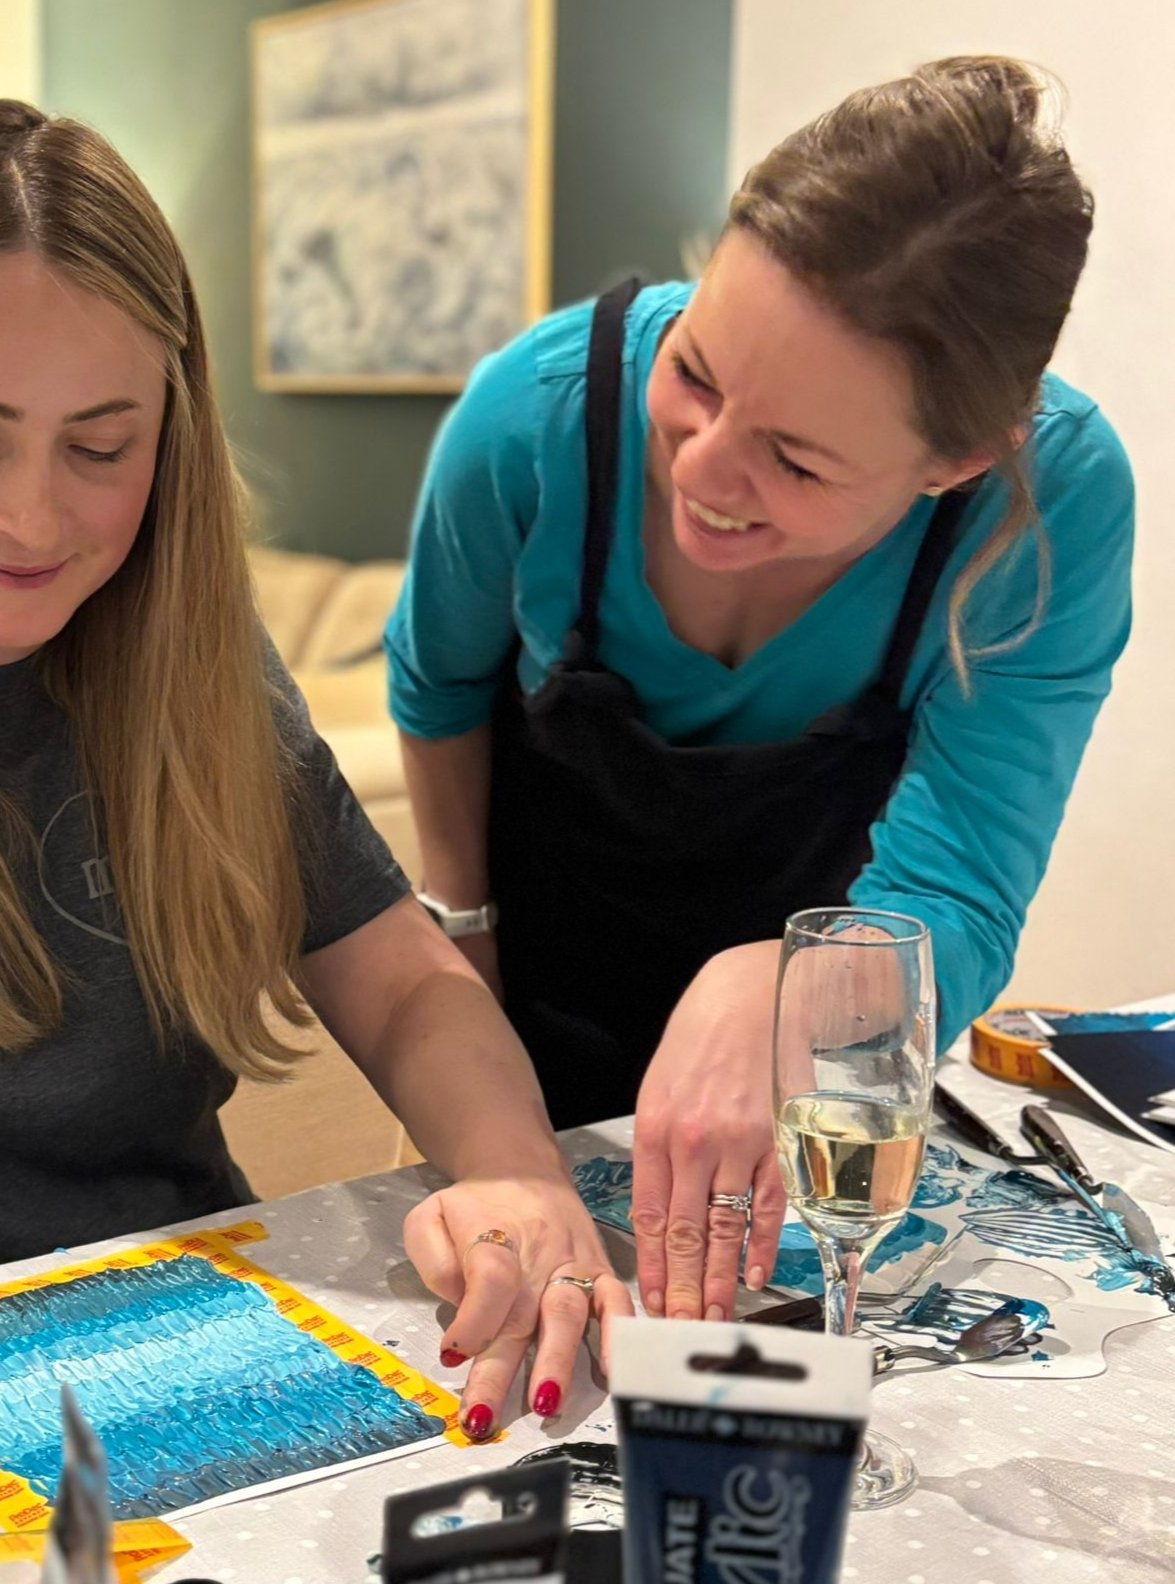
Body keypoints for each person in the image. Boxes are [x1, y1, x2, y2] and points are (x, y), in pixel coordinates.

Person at [386, 58, 1134, 1324]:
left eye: (792, 459)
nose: (702, 471)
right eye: (693, 372)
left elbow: (958, 889)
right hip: (531, 1013)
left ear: (958, 462)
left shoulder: (1047, 508)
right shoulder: (533, 417)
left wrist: (801, 990)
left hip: (820, 1088)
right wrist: (465, 979)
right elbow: (437, 690)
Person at [0, 100, 630, 1441]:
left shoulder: (186, 659)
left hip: (194, 1357)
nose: (32, 517)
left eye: (101, 447)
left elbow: (399, 978)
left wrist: (513, 1176)